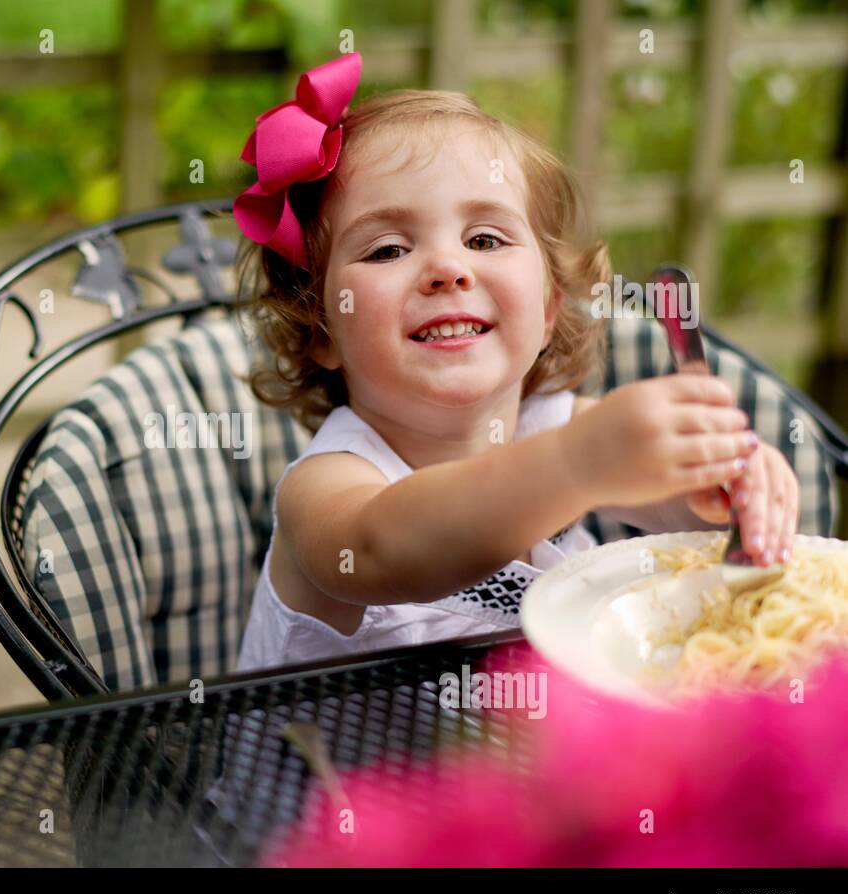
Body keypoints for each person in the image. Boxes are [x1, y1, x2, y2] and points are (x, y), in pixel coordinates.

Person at [233, 52, 800, 671]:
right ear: (321, 329)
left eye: (484, 240)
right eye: (389, 248)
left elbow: (678, 501)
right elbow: (384, 550)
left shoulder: (553, 427)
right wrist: (579, 461)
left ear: (550, 307)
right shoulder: (327, 489)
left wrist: (723, 479)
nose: (449, 269)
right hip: (338, 769)